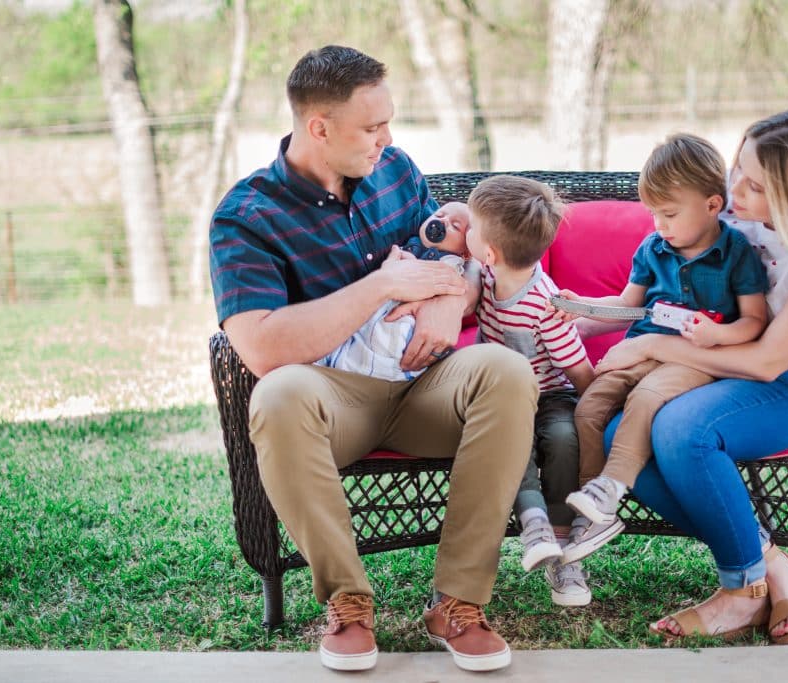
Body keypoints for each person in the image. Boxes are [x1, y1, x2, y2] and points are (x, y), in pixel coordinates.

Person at [209, 45, 536, 673]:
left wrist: (451, 299)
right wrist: (382, 287)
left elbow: (455, 261)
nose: (387, 138)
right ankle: (347, 602)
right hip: (333, 401)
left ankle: (457, 602)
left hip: (425, 382)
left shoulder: (396, 171)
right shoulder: (245, 217)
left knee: (505, 372)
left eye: (389, 121)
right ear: (319, 128)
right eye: (371, 126)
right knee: (276, 395)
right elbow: (261, 346)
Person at [590, 109, 788, 643]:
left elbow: (767, 362)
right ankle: (774, 569)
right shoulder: (733, 208)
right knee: (617, 438)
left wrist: (657, 344)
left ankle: (740, 592)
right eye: (737, 169)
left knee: (682, 430)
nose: (735, 190)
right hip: (724, 367)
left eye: (756, 186)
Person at [554, 134, 768, 563]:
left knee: (648, 399)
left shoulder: (736, 252)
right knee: (589, 407)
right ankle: (595, 509)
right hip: (640, 350)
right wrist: (576, 312)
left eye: (669, 214)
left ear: (712, 205)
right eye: (653, 213)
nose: (659, 225)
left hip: (696, 360)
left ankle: (612, 486)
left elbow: (755, 320)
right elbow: (627, 306)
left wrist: (717, 334)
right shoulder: (653, 248)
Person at [465, 175, 598, 607]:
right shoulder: (483, 276)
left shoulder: (545, 305)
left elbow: (578, 370)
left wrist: (599, 415)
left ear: (490, 251)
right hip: (505, 400)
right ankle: (534, 523)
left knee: (563, 438)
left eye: (470, 226)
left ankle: (564, 549)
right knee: (512, 437)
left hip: (554, 396)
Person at [316, 202, 471, 381]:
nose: (442, 222)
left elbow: (452, 286)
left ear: (465, 253)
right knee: (357, 334)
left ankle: (375, 367)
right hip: (375, 308)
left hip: (408, 320)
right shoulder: (410, 243)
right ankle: (344, 363)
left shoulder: (452, 263)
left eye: (455, 226)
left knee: (391, 337)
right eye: (439, 215)